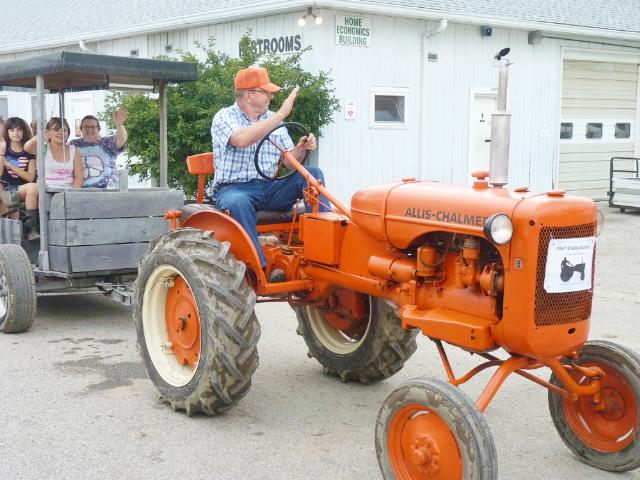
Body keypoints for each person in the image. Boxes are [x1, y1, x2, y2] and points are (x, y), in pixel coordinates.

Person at [210, 66, 328, 282]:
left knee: (312, 174)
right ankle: (261, 269)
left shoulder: (272, 118)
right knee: (237, 202)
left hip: (270, 186)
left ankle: (322, 251)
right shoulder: (224, 117)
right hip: (235, 188)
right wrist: (281, 114)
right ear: (249, 94)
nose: (271, 97)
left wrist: (302, 147)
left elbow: (290, 162)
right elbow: (242, 140)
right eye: (266, 92)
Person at [0, 117, 38, 239]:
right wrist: (1, 153)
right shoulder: (3, 150)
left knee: (32, 187)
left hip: (22, 188)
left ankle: (31, 229)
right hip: (5, 188)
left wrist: (10, 165)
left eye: (19, 130)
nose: (16, 133)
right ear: (7, 132)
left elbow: (30, 177)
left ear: (23, 131)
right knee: (11, 197)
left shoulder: (29, 151)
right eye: (12, 130)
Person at [69, 109, 127, 188]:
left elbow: (121, 140)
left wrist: (119, 125)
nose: (89, 129)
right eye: (86, 126)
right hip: (82, 191)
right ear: (81, 129)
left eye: (93, 127)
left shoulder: (106, 142)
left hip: (108, 189)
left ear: (98, 129)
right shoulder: (73, 144)